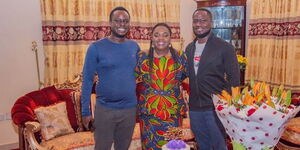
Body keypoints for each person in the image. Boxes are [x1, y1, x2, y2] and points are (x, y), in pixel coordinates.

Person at [80, 6, 140, 150]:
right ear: (110, 23)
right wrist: (85, 112)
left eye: (125, 21)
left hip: (129, 110)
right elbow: (87, 80)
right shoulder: (95, 48)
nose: (122, 24)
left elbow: (142, 74)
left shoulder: (134, 47)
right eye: (118, 21)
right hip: (105, 110)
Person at [185, 8, 240, 150]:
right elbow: (184, 73)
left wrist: (224, 103)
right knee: (202, 145)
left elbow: (234, 79)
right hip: (195, 108)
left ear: (211, 23)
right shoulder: (189, 48)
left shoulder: (225, 47)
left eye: (203, 20)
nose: (199, 24)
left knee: (219, 145)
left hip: (215, 108)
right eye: (196, 21)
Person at [135, 23, 188, 150]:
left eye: (165, 35)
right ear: (151, 38)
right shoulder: (142, 57)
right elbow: (130, 79)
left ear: (170, 38)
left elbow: (185, 77)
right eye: (156, 35)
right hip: (149, 113)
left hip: (173, 113)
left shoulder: (181, 57)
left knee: (173, 146)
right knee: (150, 146)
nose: (161, 39)